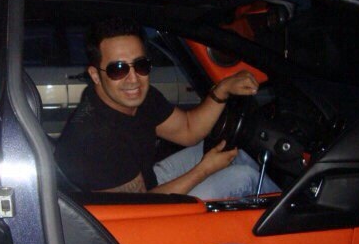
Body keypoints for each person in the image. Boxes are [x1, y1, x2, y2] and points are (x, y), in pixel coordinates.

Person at [55, 17, 279, 199]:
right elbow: (139, 209)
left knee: (234, 154)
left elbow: (188, 130)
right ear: (95, 75)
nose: (133, 79)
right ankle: (293, 227)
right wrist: (204, 170)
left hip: (148, 182)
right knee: (244, 178)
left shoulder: (141, 98)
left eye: (141, 65)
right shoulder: (93, 137)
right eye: (118, 69)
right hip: (132, 222)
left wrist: (221, 90)